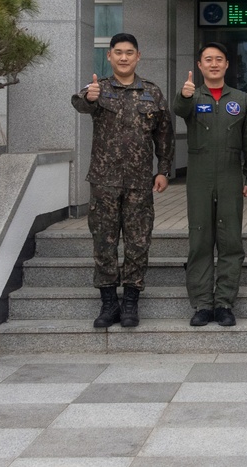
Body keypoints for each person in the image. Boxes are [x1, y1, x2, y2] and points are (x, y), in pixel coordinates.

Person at [71, 32, 173, 329]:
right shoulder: (98, 88)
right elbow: (80, 103)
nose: (124, 57)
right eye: (118, 52)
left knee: (138, 242)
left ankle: (130, 301)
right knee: (104, 242)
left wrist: (163, 170)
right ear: (109, 56)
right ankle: (108, 303)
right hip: (104, 182)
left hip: (140, 183)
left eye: (129, 52)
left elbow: (164, 135)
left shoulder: (152, 92)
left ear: (138, 56)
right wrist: (89, 97)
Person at [174, 42, 247, 327]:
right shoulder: (191, 95)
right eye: (208, 59)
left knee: (230, 240)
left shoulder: (241, 99)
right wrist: (184, 95)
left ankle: (224, 302)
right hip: (199, 179)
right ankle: (202, 303)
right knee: (199, 239)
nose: (213, 64)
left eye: (219, 59)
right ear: (200, 65)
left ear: (226, 64)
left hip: (230, 177)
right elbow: (179, 109)